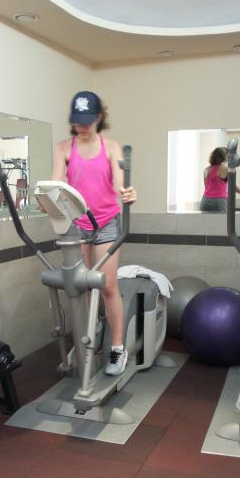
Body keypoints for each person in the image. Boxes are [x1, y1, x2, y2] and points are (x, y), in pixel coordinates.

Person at [51, 91, 137, 376]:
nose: (82, 126)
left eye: (87, 121)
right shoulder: (64, 148)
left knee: (107, 285)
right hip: (78, 224)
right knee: (82, 285)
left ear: (99, 117)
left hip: (106, 223)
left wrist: (127, 193)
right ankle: (92, 329)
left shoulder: (110, 147)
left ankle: (117, 347)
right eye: (77, 121)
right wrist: (47, 198)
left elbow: (120, 183)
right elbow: (56, 184)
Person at [199, 146, 240, 212]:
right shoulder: (225, 168)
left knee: (204, 219)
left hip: (205, 200)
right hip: (219, 200)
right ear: (224, 156)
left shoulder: (206, 169)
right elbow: (232, 186)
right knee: (221, 219)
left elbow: (207, 187)